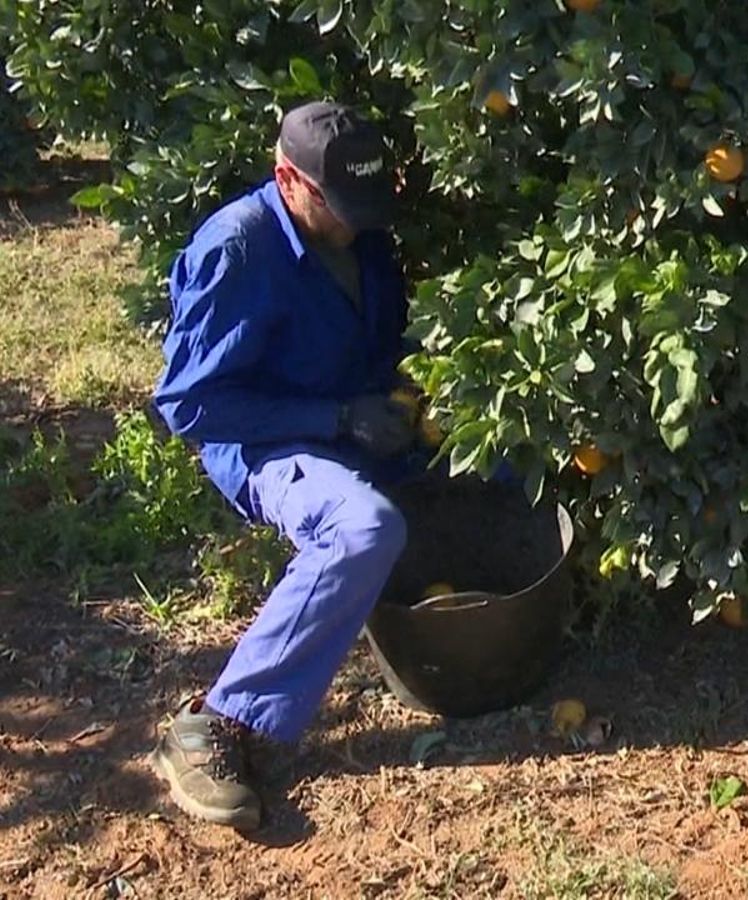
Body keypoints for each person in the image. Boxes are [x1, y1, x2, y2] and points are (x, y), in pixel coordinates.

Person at [149, 101, 420, 830]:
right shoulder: (238, 248)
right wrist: (331, 420)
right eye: (339, 205)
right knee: (363, 527)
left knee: (504, 470)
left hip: (355, 418)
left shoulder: (358, 231)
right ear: (286, 179)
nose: (354, 222)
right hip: (269, 442)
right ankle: (214, 724)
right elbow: (190, 405)